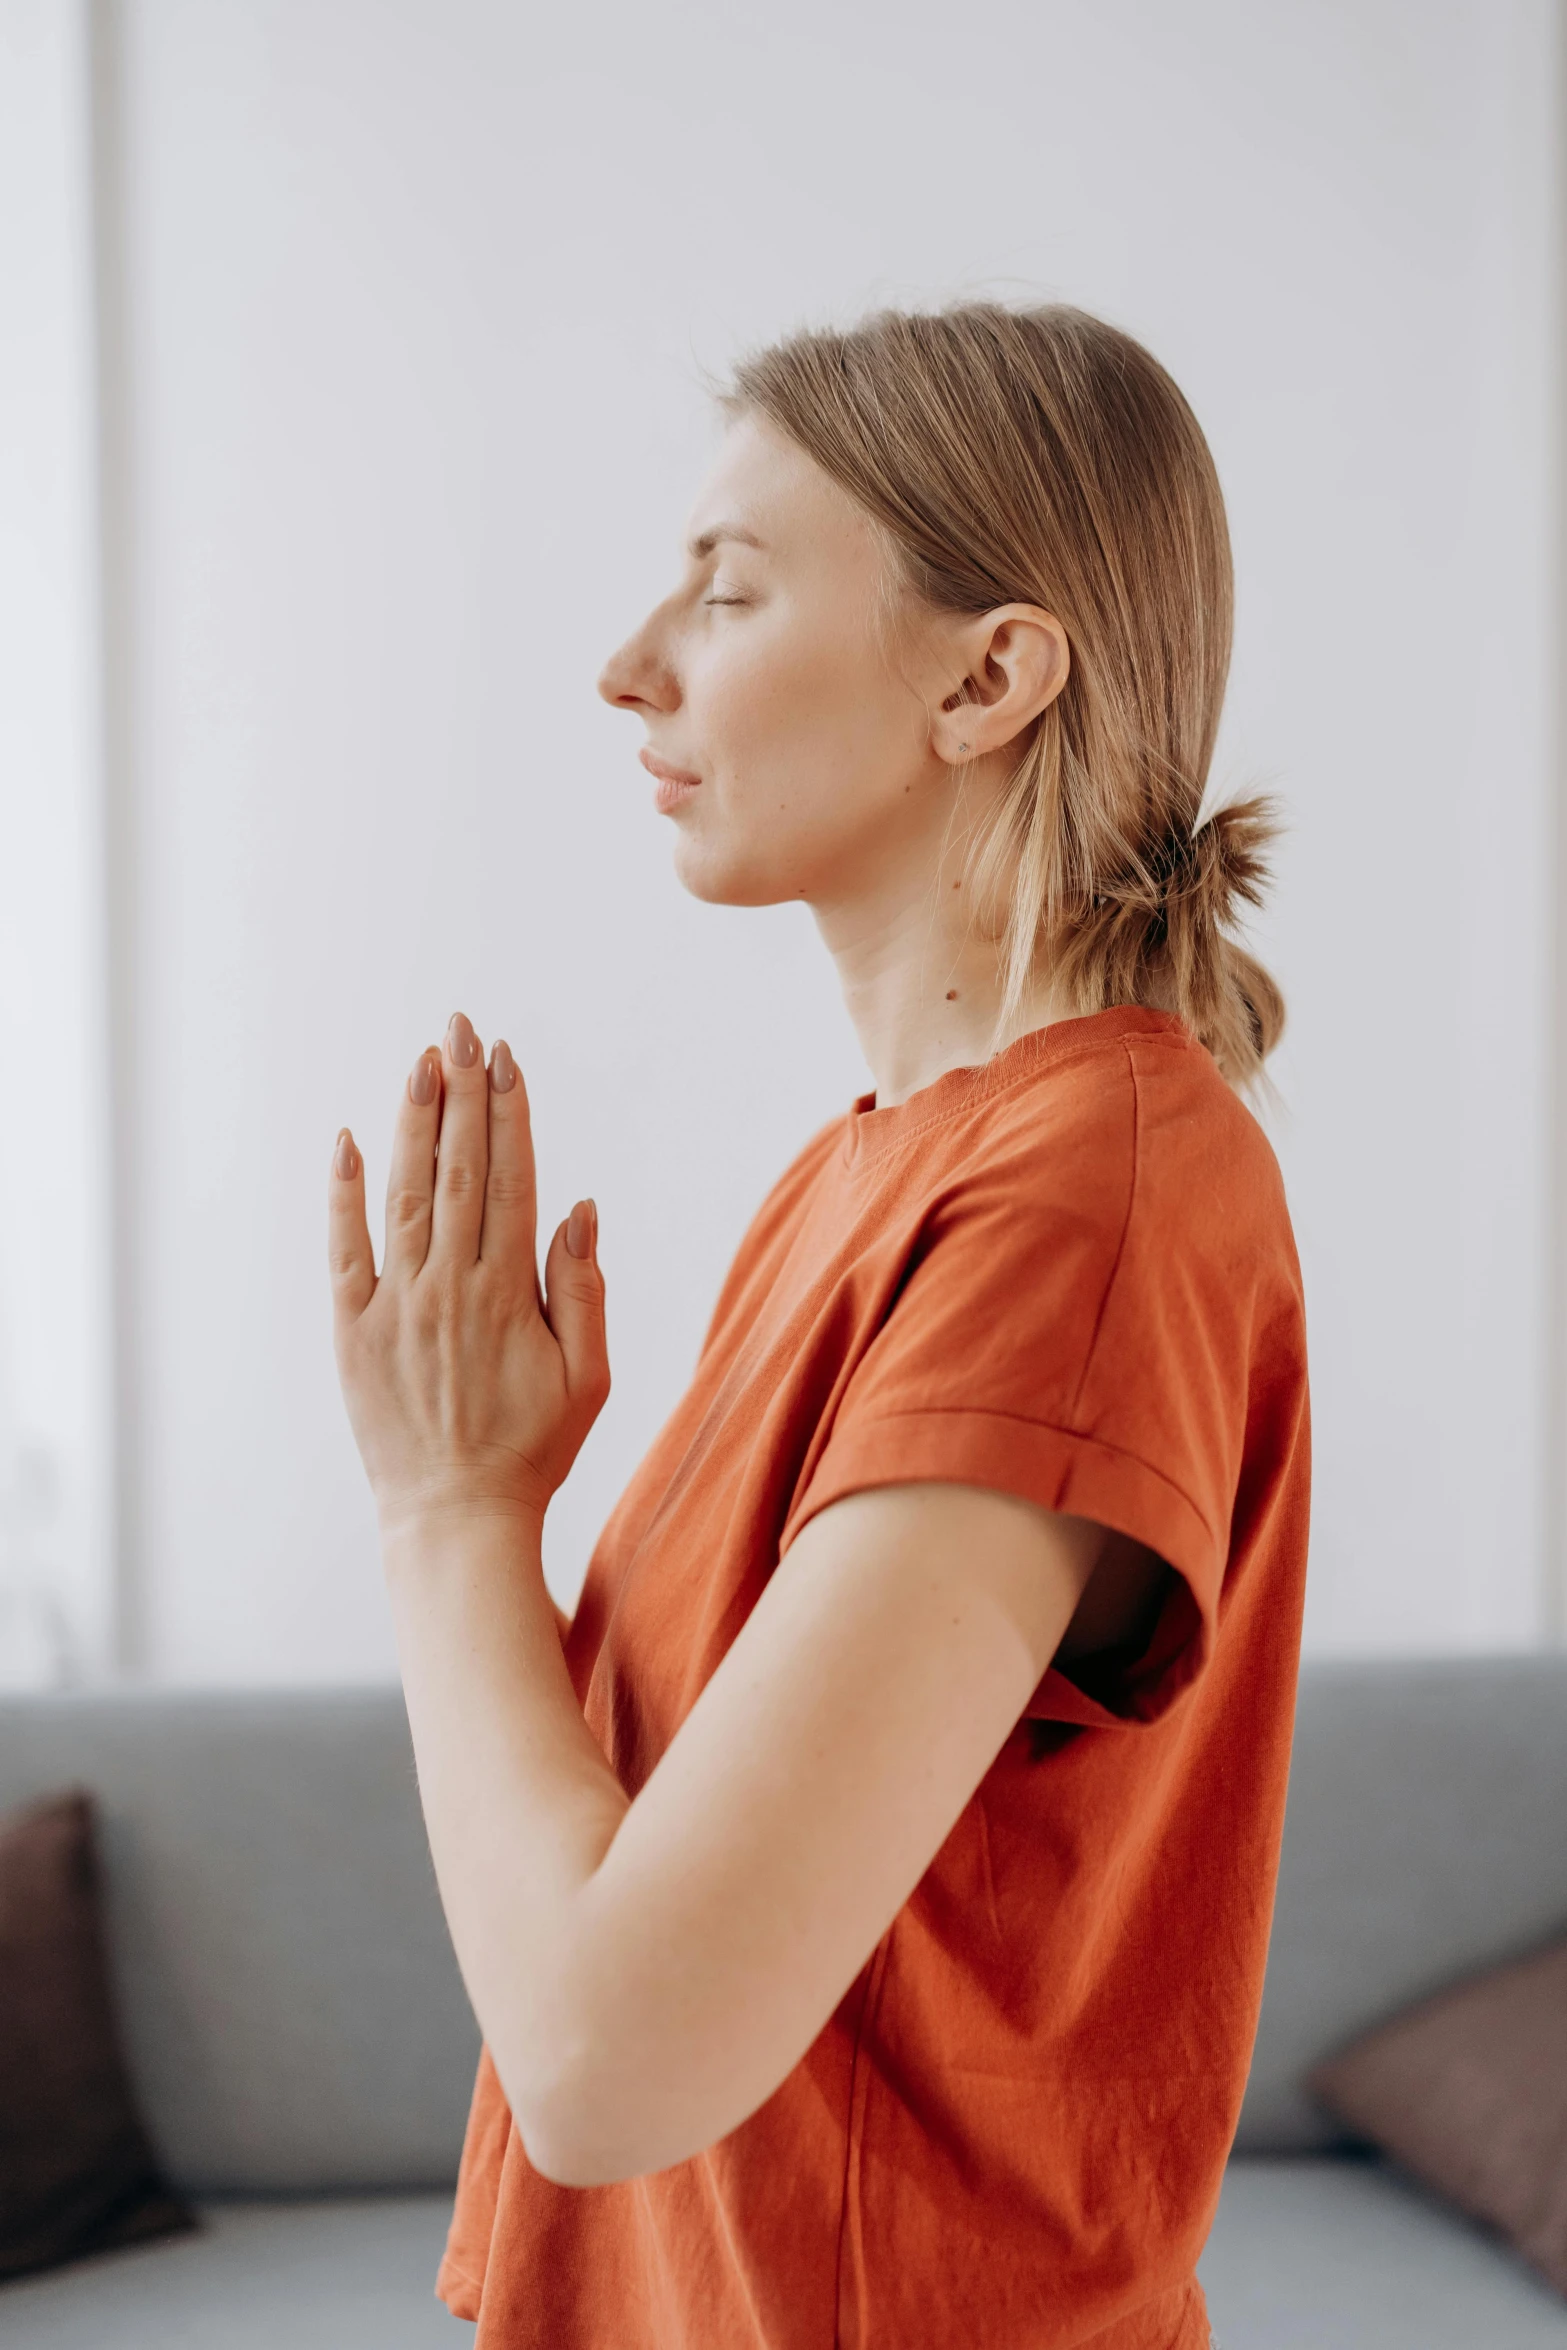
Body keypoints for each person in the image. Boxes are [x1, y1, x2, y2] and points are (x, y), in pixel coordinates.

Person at [327, 301, 1310, 2350]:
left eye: (733, 584)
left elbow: (611, 2049)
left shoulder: (1084, 1205)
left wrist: (446, 1516)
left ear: (986, 675)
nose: (632, 662)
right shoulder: (880, 1172)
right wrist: (484, 1484)